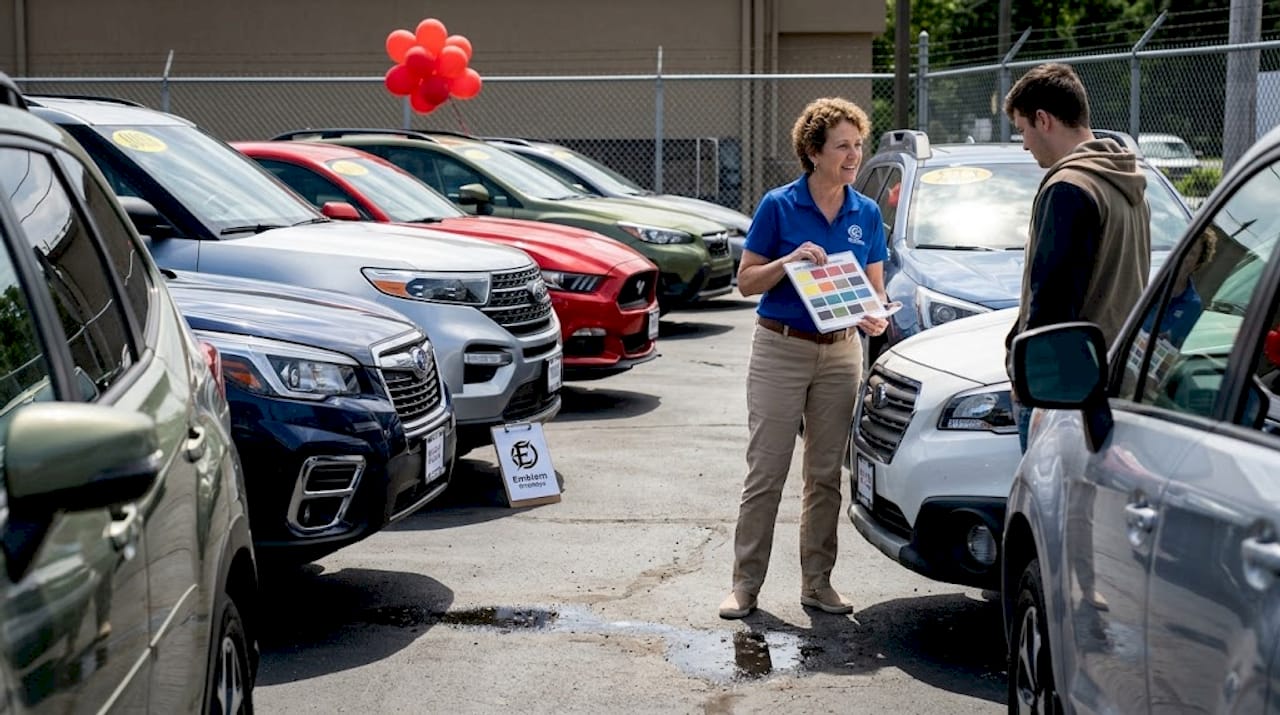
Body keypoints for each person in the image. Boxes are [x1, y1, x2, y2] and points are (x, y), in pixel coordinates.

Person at [719, 97, 889, 620]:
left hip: (841, 354)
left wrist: (875, 316)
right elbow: (747, 281)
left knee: (824, 476)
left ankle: (818, 583)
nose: (854, 155)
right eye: (842, 146)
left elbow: (875, 291)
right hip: (781, 347)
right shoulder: (778, 205)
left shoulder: (867, 213)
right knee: (766, 471)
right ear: (814, 152)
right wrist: (789, 261)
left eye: (858, 145)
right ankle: (745, 586)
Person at [1003, 63, 1152, 452]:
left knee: (1045, 491)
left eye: (1022, 130)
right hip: (1114, 380)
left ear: (1043, 120)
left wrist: (1031, 380)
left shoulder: (1068, 188)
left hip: (1066, 393)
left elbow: (1053, 300)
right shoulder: (1126, 182)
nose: (1024, 145)